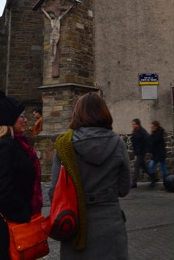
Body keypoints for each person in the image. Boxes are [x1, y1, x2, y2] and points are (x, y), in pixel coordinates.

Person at [49, 91, 130, 259]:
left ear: (77, 114)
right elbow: (124, 189)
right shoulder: (118, 143)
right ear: (104, 113)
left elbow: (53, 192)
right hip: (110, 225)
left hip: (75, 227)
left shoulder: (65, 144)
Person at [0, 89, 43, 260]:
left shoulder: (10, 144)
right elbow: (3, 191)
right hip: (1, 231)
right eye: (21, 116)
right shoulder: (4, 147)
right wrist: (24, 214)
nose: (25, 119)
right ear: (9, 119)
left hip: (3, 226)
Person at [130, 118, 150, 188]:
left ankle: (134, 183)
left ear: (138, 124)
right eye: (132, 124)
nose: (133, 125)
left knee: (136, 165)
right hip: (138, 152)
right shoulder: (135, 131)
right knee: (144, 166)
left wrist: (147, 151)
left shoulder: (142, 132)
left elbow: (147, 141)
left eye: (134, 124)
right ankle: (154, 177)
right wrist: (134, 151)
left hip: (142, 152)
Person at [148, 120, 168, 187]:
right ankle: (154, 179)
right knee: (151, 166)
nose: (152, 128)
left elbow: (155, 141)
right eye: (151, 126)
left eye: (153, 126)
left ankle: (166, 182)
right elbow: (150, 141)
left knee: (163, 168)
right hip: (155, 153)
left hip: (160, 153)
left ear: (156, 126)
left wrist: (150, 140)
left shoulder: (159, 133)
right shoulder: (153, 134)